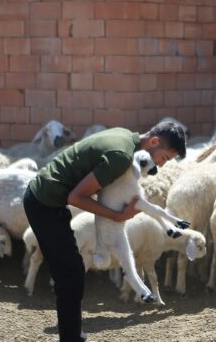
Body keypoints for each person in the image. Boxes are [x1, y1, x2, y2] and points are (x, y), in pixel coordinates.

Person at [23, 122, 187, 342]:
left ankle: (72, 334)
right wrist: (117, 216)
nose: (161, 165)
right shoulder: (121, 156)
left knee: (71, 273)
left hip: (50, 200)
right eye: (164, 158)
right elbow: (76, 197)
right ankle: (70, 337)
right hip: (44, 203)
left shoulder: (126, 136)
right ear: (154, 142)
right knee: (70, 276)